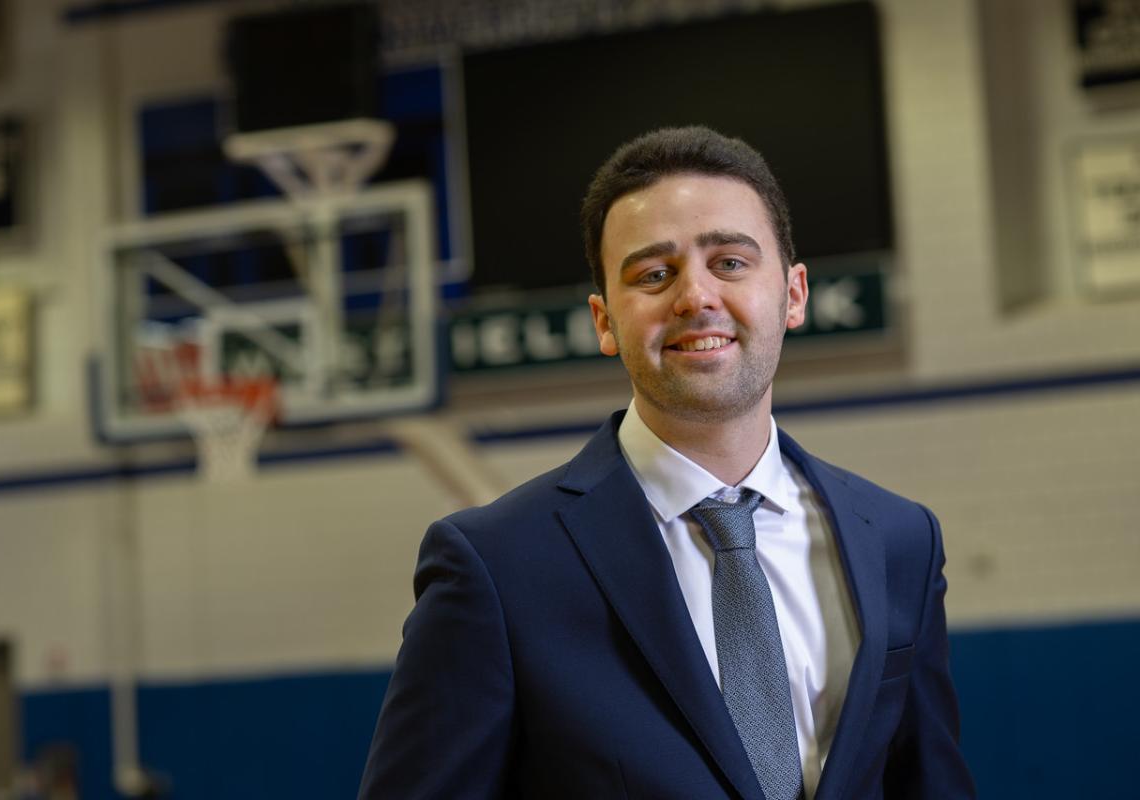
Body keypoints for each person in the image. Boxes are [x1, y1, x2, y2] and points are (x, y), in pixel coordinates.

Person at [358, 126, 976, 799]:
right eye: (654, 274)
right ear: (603, 320)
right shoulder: (497, 567)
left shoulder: (898, 540)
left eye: (731, 263)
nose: (695, 297)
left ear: (794, 294)